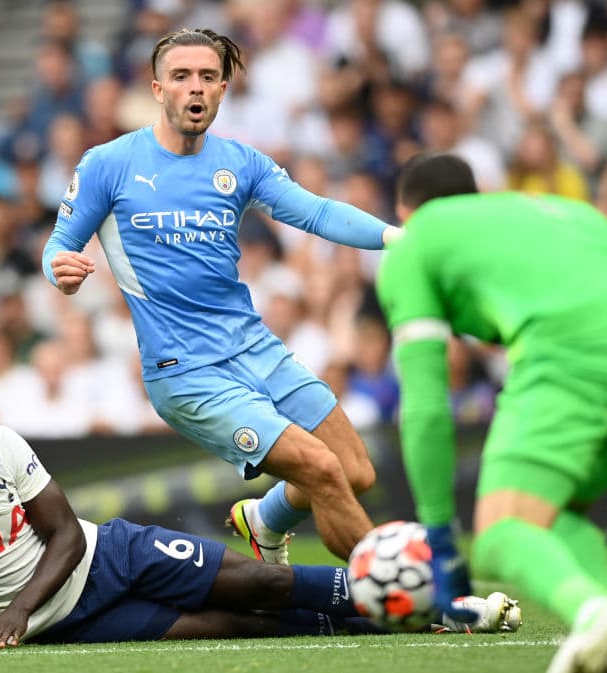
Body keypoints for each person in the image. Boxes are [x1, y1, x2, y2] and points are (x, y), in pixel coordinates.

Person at [0, 368, 521, 654]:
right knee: (247, 626)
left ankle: (440, 603)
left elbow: (62, 537)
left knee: (262, 585)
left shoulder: (4, 443)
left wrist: (16, 609)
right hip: (73, 623)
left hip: (104, 552)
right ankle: (388, 614)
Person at [42, 28, 402, 564]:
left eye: (208, 77)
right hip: (186, 371)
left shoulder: (240, 163)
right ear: (158, 89)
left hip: (255, 347)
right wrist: (60, 269)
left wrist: (397, 238)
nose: (196, 88)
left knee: (355, 471)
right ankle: (401, 589)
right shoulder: (108, 163)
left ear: (223, 88)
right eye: (182, 76)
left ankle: (265, 518)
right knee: (323, 470)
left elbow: (318, 212)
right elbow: (59, 246)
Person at [375, 154, 607, 673]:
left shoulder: (415, 242)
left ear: (403, 210)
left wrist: (441, 538)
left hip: (572, 347)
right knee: (558, 516)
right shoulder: (548, 210)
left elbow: (425, 406)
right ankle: (605, 642)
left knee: (499, 535)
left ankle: (592, 611)